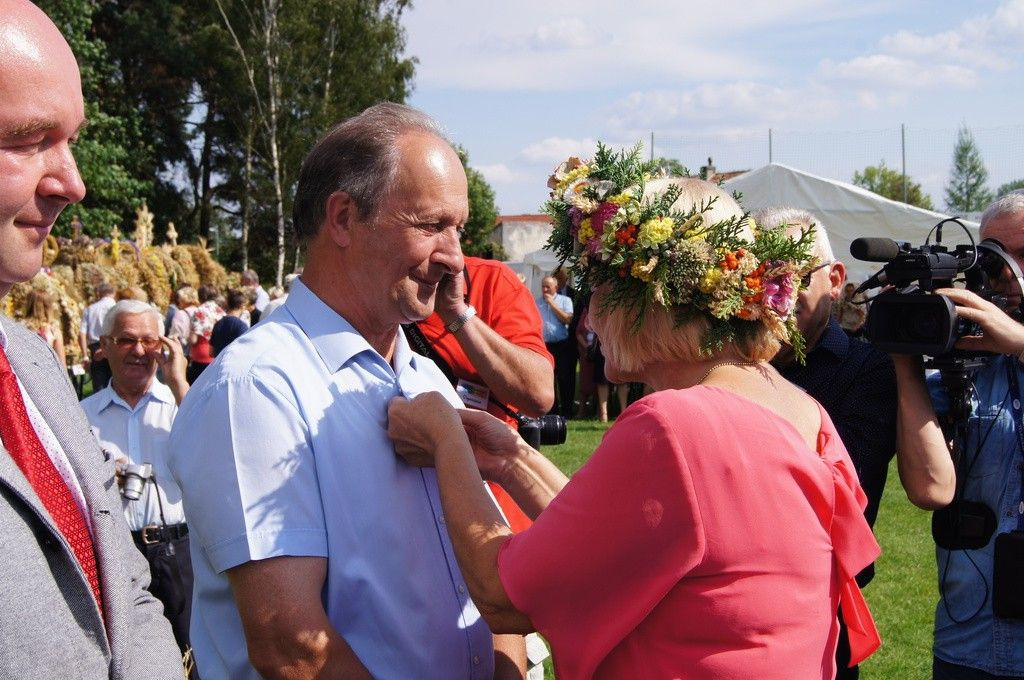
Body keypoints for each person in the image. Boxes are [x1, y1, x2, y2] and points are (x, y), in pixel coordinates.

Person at [388, 165, 882, 679]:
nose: (590, 316)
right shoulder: (799, 407)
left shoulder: (676, 424)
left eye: (599, 289)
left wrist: (446, 439)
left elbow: (503, 597)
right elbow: (623, 536)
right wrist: (512, 459)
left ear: (653, 300)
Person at [168, 102, 525, 679]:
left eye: (458, 228)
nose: (455, 257)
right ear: (342, 218)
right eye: (432, 225)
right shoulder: (256, 388)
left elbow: (492, 572)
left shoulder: (424, 377)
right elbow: (293, 646)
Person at [0, 1, 180, 676]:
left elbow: (124, 589)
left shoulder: (34, 365)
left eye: (70, 140)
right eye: (26, 141)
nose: (73, 183)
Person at [758, 207, 950, 678]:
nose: (777, 295)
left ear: (836, 279)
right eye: (761, 277)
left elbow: (838, 501)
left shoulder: (868, 369)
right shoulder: (721, 365)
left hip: (819, 613)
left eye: (796, 276)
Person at [896, 190, 1024, 680]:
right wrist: (904, 362)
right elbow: (930, 490)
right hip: (968, 643)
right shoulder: (959, 368)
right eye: (995, 254)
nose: (1008, 272)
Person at [80, 300, 194, 659]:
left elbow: (214, 454)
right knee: (127, 656)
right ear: (105, 346)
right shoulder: (81, 414)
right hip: (113, 554)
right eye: (127, 340)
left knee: (194, 653)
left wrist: (179, 382)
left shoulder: (182, 403)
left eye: (149, 340)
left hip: (178, 551)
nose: (140, 351)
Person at [536, 275, 574, 417]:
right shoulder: (537, 302)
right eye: (543, 286)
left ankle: (567, 411)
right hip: (545, 346)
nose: (545, 289)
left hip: (562, 346)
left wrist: (552, 304)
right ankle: (552, 411)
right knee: (548, 379)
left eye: (548, 287)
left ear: (556, 288)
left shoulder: (565, 300)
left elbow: (568, 319)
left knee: (564, 378)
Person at [79, 280, 115, 389]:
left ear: (98, 293)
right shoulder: (117, 307)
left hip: (95, 348)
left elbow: (82, 334)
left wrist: (85, 356)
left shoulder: (90, 309)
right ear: (114, 293)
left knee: (99, 387)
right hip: (114, 345)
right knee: (118, 385)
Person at [186, 284, 223, 383]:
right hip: (216, 353)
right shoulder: (221, 311)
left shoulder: (199, 311)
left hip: (200, 354)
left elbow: (193, 340)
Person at [22, 287, 65, 369]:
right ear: (48, 306)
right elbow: (61, 362)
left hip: (26, 371)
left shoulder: (20, 326)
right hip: (47, 371)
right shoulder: (53, 329)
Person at [209, 288, 250, 356]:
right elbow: (245, 351)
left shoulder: (218, 324)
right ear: (242, 305)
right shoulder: (241, 326)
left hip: (217, 364)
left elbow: (211, 352)